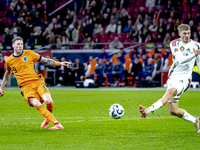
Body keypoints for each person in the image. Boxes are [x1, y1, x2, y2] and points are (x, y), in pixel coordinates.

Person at [0, 37, 72, 130]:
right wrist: (1, 87)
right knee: (36, 103)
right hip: (25, 87)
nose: (20, 46)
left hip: (37, 82)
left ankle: (47, 119)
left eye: (21, 44)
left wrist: (60, 63)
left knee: (48, 101)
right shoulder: (9, 60)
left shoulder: (29, 53)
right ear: (13, 45)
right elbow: (7, 74)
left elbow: (45, 60)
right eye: (18, 44)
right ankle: (57, 124)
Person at [139, 24, 200, 133]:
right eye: (184, 33)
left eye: (188, 33)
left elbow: (199, 63)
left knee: (171, 91)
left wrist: (196, 55)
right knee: (173, 110)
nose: (187, 35)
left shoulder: (197, 45)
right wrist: (194, 54)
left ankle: (148, 110)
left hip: (185, 77)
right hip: (173, 76)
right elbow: (180, 59)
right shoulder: (174, 43)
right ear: (179, 34)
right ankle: (196, 120)